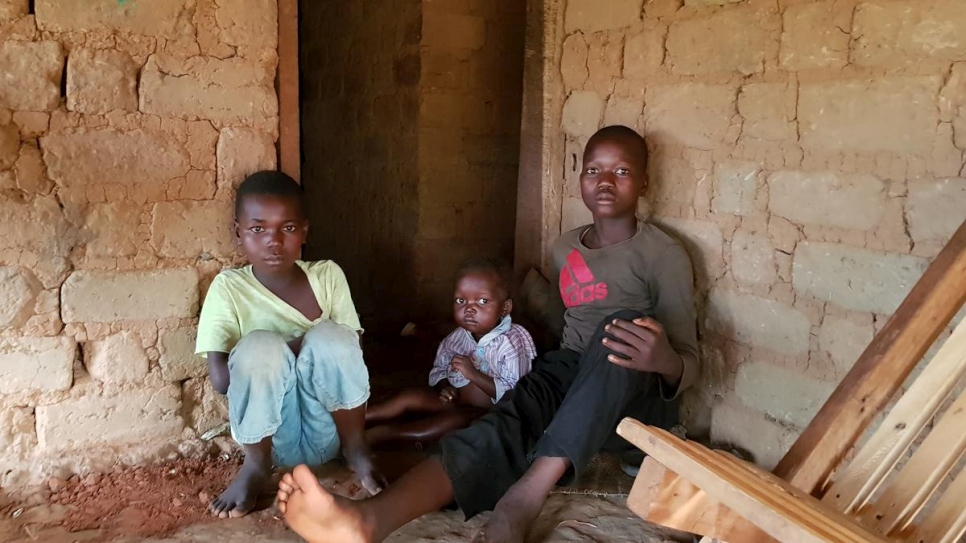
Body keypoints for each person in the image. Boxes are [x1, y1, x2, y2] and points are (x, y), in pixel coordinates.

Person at [276, 125, 700, 543]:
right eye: (594, 170)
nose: (605, 181)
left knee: (619, 327)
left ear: (644, 182)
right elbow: (559, 326)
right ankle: (368, 521)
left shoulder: (662, 255)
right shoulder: (565, 248)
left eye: (622, 172)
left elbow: (688, 360)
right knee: (498, 426)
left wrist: (663, 360)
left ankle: (524, 498)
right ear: (580, 178)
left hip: (629, 398)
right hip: (571, 373)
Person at [195, 170, 382, 519]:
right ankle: (254, 468)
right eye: (257, 229)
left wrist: (299, 349)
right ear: (238, 233)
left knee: (332, 336)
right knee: (260, 347)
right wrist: (286, 352)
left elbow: (349, 352)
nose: (274, 240)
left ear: (304, 232)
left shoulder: (327, 276)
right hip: (269, 440)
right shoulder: (229, 289)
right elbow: (222, 380)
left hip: (330, 433)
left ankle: (357, 450)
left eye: (288, 228)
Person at [365, 259, 537, 446]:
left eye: (482, 301)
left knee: (455, 420)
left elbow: (513, 394)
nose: (469, 309)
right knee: (410, 397)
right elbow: (440, 367)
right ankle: (361, 417)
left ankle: (387, 434)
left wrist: (473, 374)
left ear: (505, 308)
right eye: (460, 300)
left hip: (486, 413)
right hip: (455, 400)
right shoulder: (457, 337)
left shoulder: (512, 341)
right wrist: (444, 386)